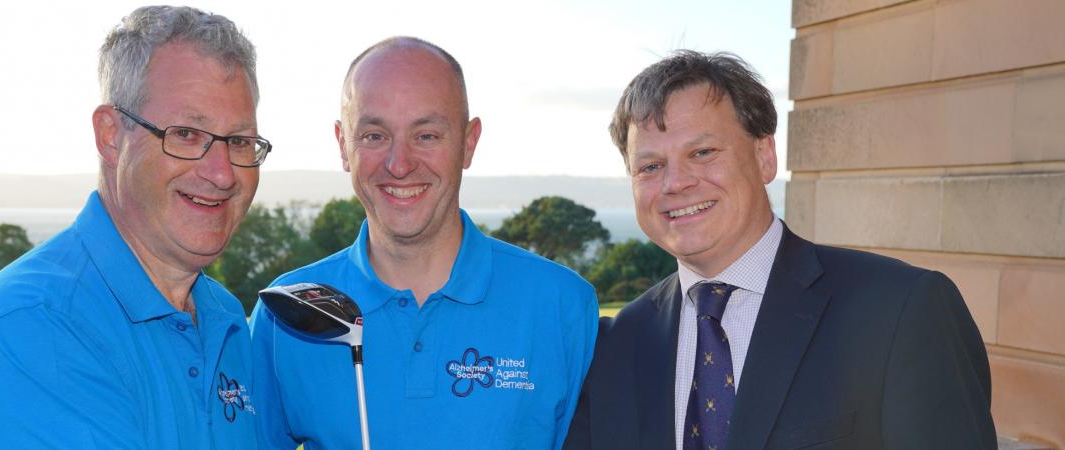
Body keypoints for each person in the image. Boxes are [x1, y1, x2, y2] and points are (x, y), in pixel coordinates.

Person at [564, 50, 996, 449]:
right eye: (650, 166)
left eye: (702, 152)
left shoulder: (900, 308)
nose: (675, 183)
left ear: (765, 155)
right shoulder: (617, 344)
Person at [250, 36, 598, 449]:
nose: (399, 165)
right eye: (375, 136)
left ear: (469, 143)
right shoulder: (286, 312)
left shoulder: (562, 305)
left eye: (427, 135)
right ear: (344, 145)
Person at [0, 6, 268, 448]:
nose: (222, 173)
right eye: (186, 134)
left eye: (239, 141)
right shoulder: (37, 322)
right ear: (111, 135)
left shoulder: (224, 314)